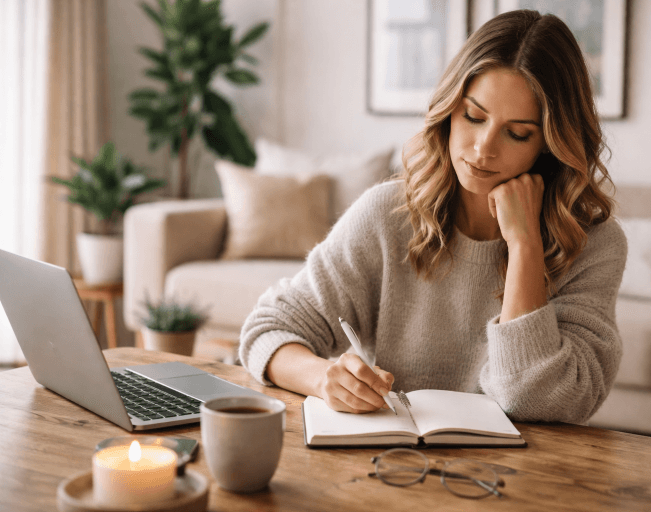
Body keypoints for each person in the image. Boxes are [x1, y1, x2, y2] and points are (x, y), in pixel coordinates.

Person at [239, 10, 627, 424]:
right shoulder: (388, 215)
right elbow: (267, 330)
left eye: (517, 133)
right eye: (473, 117)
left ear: (549, 143)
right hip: (397, 467)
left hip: (530, 477)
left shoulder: (595, 245)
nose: (482, 148)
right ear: (448, 109)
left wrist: (525, 245)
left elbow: (539, 401)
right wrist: (323, 379)